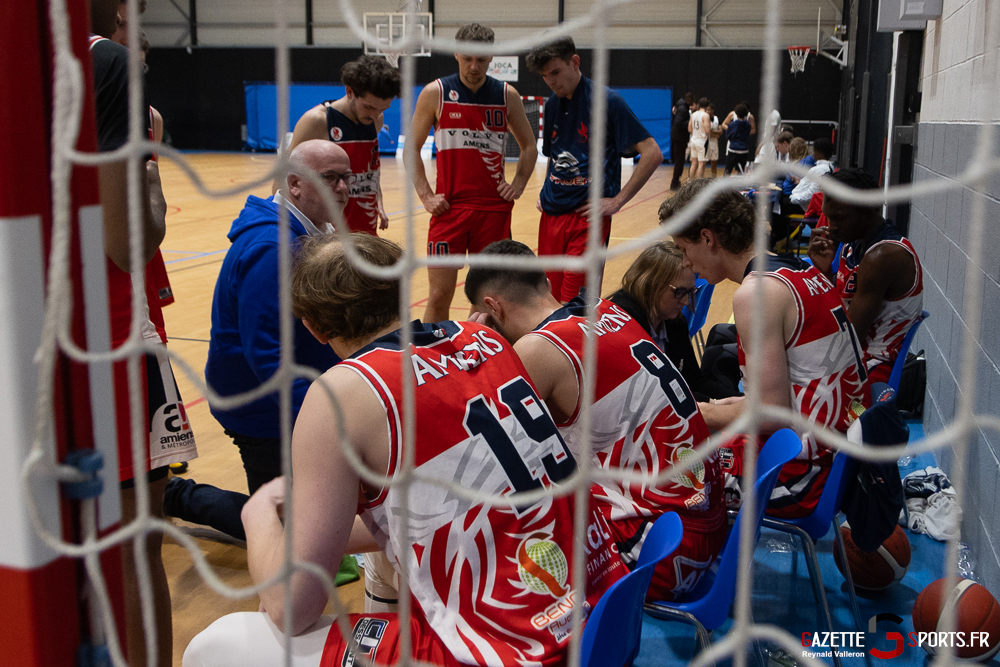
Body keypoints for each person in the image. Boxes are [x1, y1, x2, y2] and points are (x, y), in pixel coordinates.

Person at [183, 234, 623, 667]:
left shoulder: (342, 394)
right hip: (603, 613)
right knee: (381, 559)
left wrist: (257, 511)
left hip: (513, 649)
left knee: (218, 642)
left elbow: (292, 608)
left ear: (313, 327)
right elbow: (430, 510)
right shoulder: (484, 339)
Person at [464, 240, 724, 601]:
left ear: (492, 307)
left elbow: (473, 444)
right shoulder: (608, 310)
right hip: (707, 523)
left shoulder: (538, 349)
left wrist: (476, 347)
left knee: (492, 518)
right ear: (547, 285)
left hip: (666, 556)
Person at [164, 140, 349, 540]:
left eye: (346, 178)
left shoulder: (317, 231)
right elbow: (267, 354)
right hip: (261, 407)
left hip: (299, 396)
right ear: (295, 185)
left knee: (325, 514)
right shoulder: (273, 248)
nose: (342, 188)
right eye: (329, 178)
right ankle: (176, 495)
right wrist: (320, 416)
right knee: (284, 535)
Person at [90, 2, 198, 666]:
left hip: (44, 334)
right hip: (115, 340)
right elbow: (132, 242)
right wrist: (151, 163)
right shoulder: (112, 66)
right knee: (139, 542)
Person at [660, 179, 868, 518]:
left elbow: (770, 414)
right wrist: (736, 404)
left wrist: (697, 412)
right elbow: (801, 387)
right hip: (840, 453)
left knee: (659, 470)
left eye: (684, 249)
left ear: (707, 238)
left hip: (804, 474)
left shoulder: (756, 293)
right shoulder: (799, 269)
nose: (685, 262)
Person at [406, 23, 538, 322]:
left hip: (493, 211)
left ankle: (474, 355)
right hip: (449, 209)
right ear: (456, 54)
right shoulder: (435, 92)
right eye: (468, 58)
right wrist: (426, 196)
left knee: (486, 298)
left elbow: (529, 146)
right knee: (439, 295)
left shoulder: (507, 95)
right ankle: (431, 356)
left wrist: (518, 183)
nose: (474, 66)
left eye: (481, 59)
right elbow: (411, 148)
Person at [526, 36, 663, 303]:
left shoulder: (608, 102)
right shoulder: (552, 104)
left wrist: (618, 201)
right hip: (550, 218)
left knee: (576, 306)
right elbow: (554, 156)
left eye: (555, 72)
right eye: (545, 76)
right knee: (548, 303)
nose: (551, 81)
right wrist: (546, 191)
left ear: (575, 62)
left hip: (587, 220)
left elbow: (652, 153)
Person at [808, 168, 923, 384]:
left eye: (840, 218)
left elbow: (849, 336)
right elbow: (838, 311)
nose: (831, 227)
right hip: (852, 361)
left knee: (781, 382)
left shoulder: (884, 256)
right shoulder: (852, 246)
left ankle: (860, 419)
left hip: (871, 375)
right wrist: (824, 273)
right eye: (829, 217)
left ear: (869, 207)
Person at [276, 56, 400, 235]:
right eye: (369, 107)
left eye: (382, 109)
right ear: (350, 91)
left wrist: (377, 198)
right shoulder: (318, 121)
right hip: (329, 235)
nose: (375, 115)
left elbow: (370, 168)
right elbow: (284, 177)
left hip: (365, 227)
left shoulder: (375, 120)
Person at [606, 239, 734, 401]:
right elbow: (652, 398)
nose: (686, 302)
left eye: (689, 292)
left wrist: (743, 403)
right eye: (680, 292)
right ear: (652, 285)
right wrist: (715, 405)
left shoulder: (674, 321)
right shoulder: (623, 327)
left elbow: (695, 381)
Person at [789, 137, 835, 210]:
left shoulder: (819, 170)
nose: (813, 154)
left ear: (820, 154)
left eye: (814, 151)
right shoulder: (829, 167)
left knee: (782, 202)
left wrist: (793, 198)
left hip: (805, 206)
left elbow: (811, 194)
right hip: (806, 202)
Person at [670, 92, 696, 189]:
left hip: (679, 137)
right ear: (688, 99)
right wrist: (690, 122)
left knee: (680, 161)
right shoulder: (683, 109)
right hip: (679, 138)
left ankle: (676, 181)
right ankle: (674, 182)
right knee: (679, 161)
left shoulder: (681, 107)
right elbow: (678, 123)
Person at [721, 103, 753, 175]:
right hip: (744, 150)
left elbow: (728, 136)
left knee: (728, 169)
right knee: (741, 171)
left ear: (736, 114)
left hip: (733, 149)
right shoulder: (748, 125)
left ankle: (724, 185)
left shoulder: (733, 124)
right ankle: (740, 185)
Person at [687, 97, 711, 181]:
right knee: (701, 164)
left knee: (693, 163)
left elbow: (689, 129)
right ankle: (698, 184)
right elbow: (707, 130)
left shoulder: (693, 114)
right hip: (702, 141)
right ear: (707, 106)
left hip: (693, 140)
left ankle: (690, 182)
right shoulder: (705, 115)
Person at [705, 103, 722, 178]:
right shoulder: (704, 118)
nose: (708, 111)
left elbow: (720, 132)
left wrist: (711, 131)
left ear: (712, 110)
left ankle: (714, 178)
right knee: (703, 162)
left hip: (714, 142)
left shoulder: (717, 119)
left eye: (709, 109)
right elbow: (706, 132)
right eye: (706, 109)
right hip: (705, 142)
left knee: (714, 162)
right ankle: (700, 178)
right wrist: (713, 132)